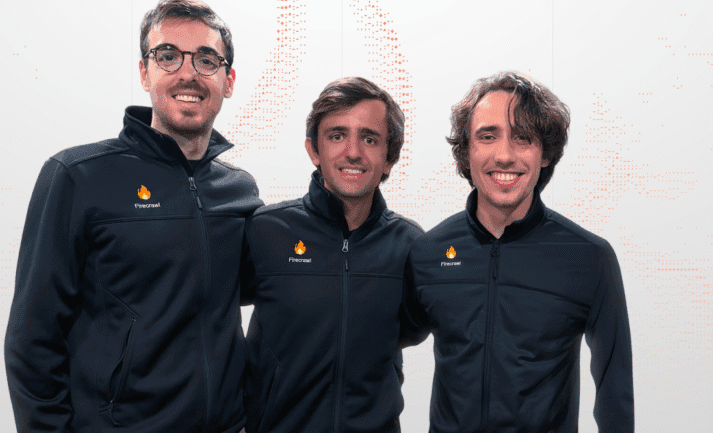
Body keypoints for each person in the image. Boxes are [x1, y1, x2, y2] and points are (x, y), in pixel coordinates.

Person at [4, 0, 262, 433]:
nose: (187, 72)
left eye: (206, 59)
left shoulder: (240, 190)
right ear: (145, 72)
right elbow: (32, 340)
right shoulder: (77, 177)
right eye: (168, 56)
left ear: (228, 79)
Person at [404, 71, 634, 432]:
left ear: (545, 154)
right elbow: (385, 342)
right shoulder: (427, 253)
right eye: (487, 136)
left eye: (523, 138)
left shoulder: (590, 259)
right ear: (468, 150)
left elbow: (615, 393)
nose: (505, 155)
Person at [241, 77, 422, 432]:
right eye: (337, 136)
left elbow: (412, 330)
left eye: (369, 139)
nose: (353, 152)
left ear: (389, 158)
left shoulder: (410, 245)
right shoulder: (266, 231)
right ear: (313, 150)